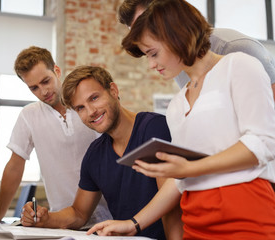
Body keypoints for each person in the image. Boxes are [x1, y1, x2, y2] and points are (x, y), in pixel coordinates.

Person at [88, 0, 275, 239]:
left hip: (244, 215)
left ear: (176, 35)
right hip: (195, 221)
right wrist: (133, 223)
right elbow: (178, 182)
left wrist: (191, 167)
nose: (152, 65)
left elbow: (263, 142)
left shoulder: (239, 65)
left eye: (153, 53)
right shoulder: (177, 104)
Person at [20, 65, 183, 240]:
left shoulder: (153, 128)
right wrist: (45, 218)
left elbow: (171, 206)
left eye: (94, 98)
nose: (91, 111)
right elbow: (79, 213)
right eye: (80, 108)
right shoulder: (94, 155)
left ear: (113, 90)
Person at [0, 46, 112, 227]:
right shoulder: (29, 116)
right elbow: (14, 167)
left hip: (109, 216)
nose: (43, 91)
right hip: (63, 219)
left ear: (57, 71)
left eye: (46, 81)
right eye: (34, 88)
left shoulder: (86, 106)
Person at [118, 0, 275, 100]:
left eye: (144, 23)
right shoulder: (177, 63)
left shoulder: (236, 48)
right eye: (134, 30)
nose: (141, 34)